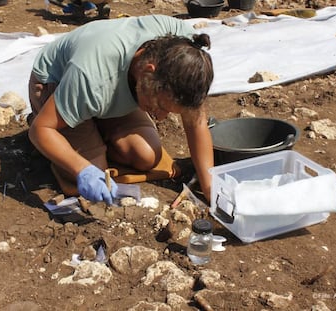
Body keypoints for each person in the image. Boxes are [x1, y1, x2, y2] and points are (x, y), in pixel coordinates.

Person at [28, 14, 214, 205]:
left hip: (104, 91)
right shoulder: (92, 73)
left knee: (146, 156)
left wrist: (210, 188)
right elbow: (41, 129)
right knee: (93, 172)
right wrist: (83, 169)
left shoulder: (188, 55)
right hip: (57, 84)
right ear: (148, 72)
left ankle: (92, 123)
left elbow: (196, 121)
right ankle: (50, 112)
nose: (160, 117)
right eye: (161, 106)